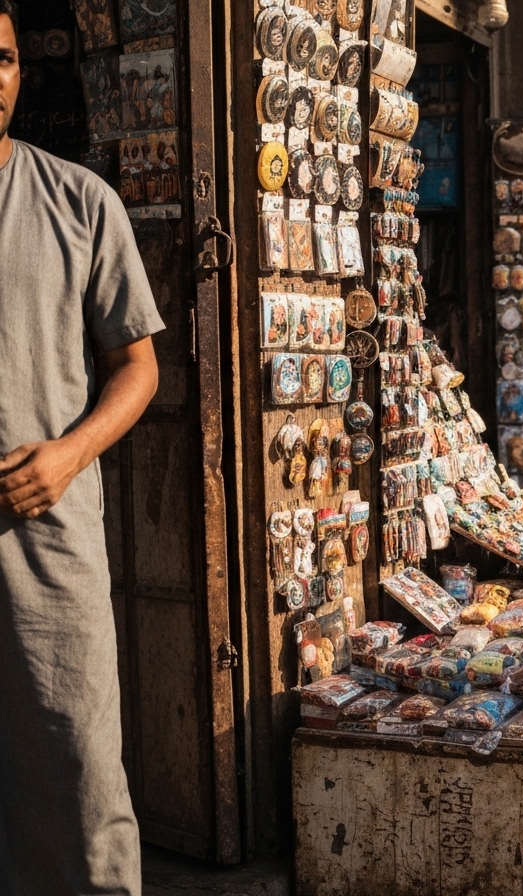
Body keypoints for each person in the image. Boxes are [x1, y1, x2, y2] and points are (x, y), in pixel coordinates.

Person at [0, 4, 165, 892]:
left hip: (50, 541)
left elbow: (138, 369)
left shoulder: (77, 201)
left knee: (79, 764)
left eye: (3, 59)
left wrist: (68, 455)